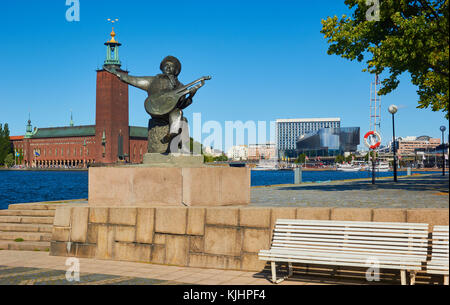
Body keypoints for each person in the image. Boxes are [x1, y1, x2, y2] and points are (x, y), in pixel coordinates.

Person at [103, 56, 197, 145]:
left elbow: (181, 105)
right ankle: (174, 134)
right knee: (177, 113)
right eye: (166, 65)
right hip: (155, 109)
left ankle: (173, 134)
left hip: (171, 112)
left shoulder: (181, 86)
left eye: (171, 66)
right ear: (162, 67)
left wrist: (191, 96)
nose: (168, 68)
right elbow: (133, 79)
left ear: (176, 70)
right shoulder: (153, 81)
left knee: (178, 112)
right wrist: (116, 73)